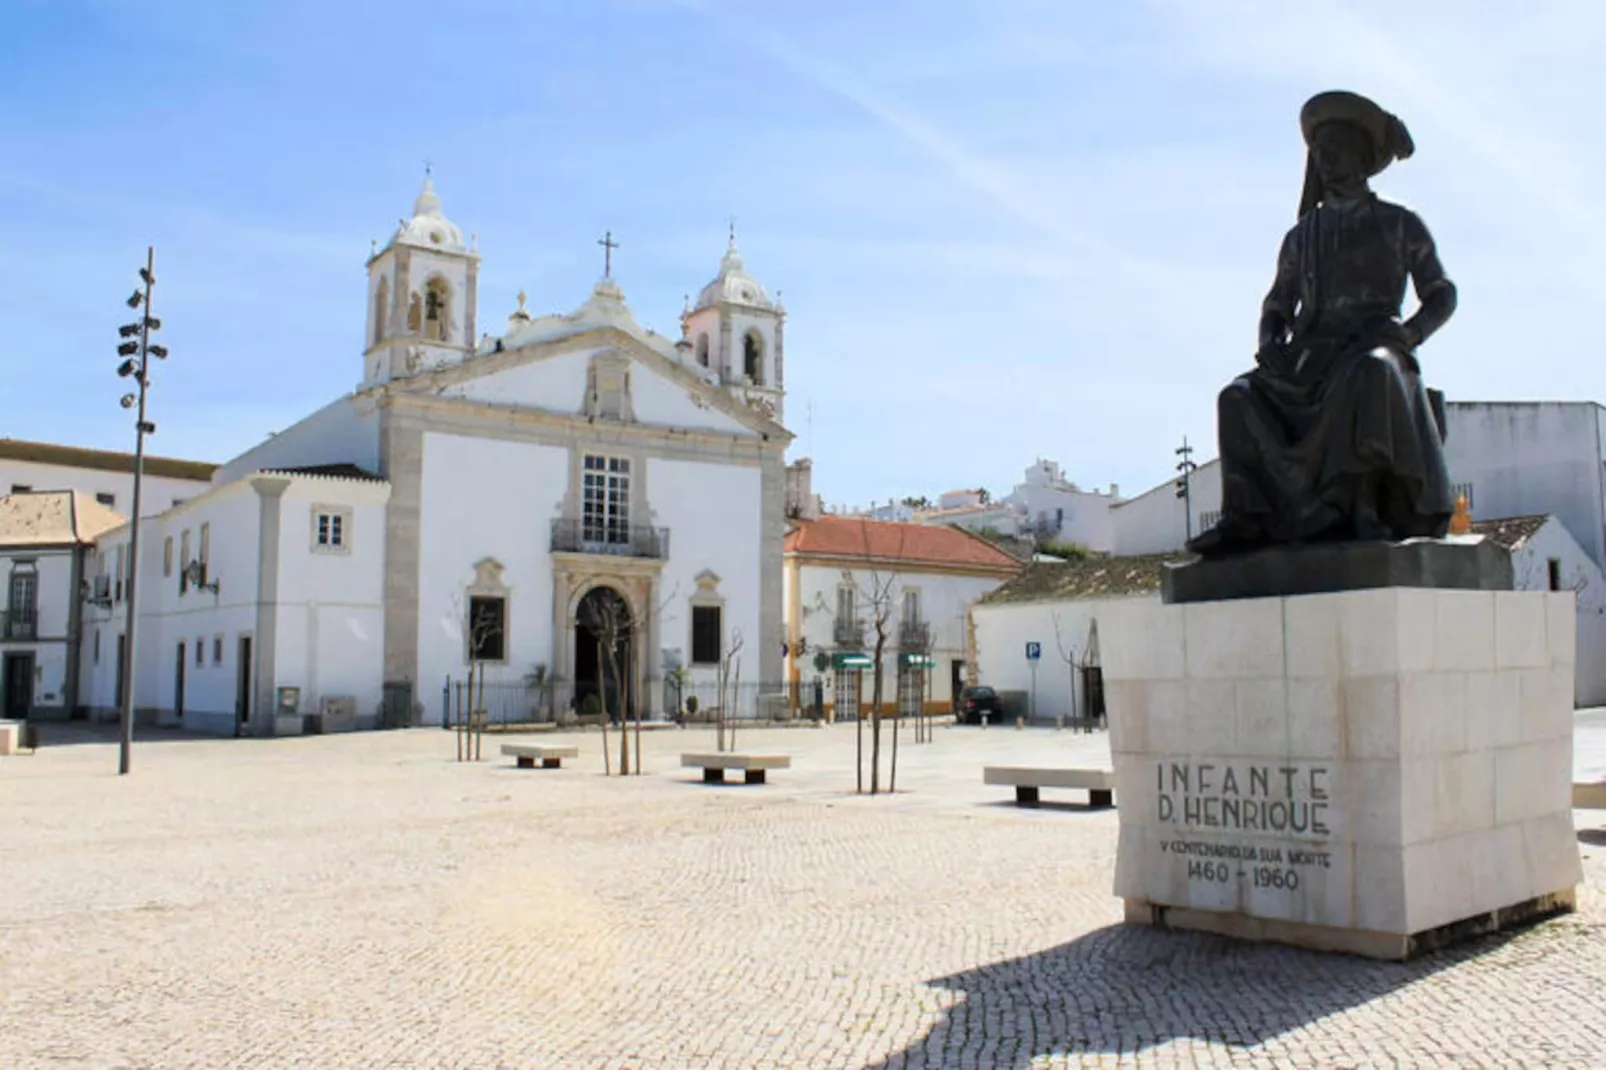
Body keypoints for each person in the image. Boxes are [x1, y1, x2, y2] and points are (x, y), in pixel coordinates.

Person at [1190, 91, 1458, 557]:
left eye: (1337, 150)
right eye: (1320, 153)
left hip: (1375, 346)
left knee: (1369, 373)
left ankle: (1362, 506)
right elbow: (1277, 304)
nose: (1328, 161)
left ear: (1361, 156)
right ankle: (1247, 513)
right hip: (1309, 356)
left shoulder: (1399, 223)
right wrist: (1270, 338)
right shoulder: (1301, 237)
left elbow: (1442, 293)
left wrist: (1411, 333)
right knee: (1237, 396)